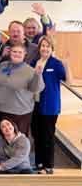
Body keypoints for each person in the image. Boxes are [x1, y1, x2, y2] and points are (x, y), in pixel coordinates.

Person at [30, 36, 68, 174]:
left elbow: (68, 80)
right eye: (42, 46)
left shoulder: (56, 63)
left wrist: (67, 65)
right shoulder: (34, 62)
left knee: (48, 135)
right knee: (37, 134)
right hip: (34, 104)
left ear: (52, 49)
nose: (45, 48)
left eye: (48, 46)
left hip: (50, 106)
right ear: (39, 48)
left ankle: (48, 165)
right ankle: (39, 163)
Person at [0, 44, 44, 136]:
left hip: (18, 114)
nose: (17, 54)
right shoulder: (2, 65)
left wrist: (38, 75)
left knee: (17, 144)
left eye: (20, 52)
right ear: (10, 52)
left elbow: (36, 89)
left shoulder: (30, 71)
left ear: (25, 54)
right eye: (14, 51)